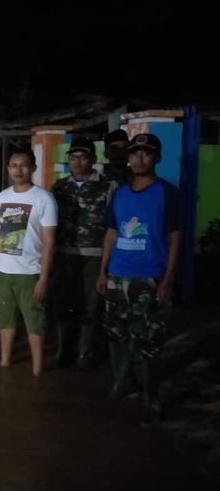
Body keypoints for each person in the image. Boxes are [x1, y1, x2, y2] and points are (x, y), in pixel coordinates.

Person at [96, 133, 181, 426]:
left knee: (149, 342)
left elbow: (174, 237)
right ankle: (123, 382)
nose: (139, 158)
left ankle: (151, 399)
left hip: (150, 278)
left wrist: (168, 279)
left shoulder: (167, 192)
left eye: (146, 153)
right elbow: (111, 232)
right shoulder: (120, 193)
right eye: (134, 153)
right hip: (118, 275)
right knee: (117, 334)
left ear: (157, 157)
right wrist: (103, 271)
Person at [0, 148, 57, 377]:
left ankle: (37, 369)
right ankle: (5, 361)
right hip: (2, 271)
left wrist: (43, 278)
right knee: (5, 321)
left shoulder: (44, 198)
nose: (18, 169)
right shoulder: (3, 197)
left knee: (35, 323)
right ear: (8, 169)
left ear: (33, 168)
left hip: (31, 273)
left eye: (23, 165)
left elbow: (49, 242)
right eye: (14, 165)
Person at [50, 137, 117, 369]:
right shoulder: (59, 187)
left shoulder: (108, 186)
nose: (77, 162)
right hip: (63, 252)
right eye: (73, 157)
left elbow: (113, 226)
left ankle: (85, 355)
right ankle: (62, 351)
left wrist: (106, 265)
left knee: (91, 306)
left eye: (83, 157)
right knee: (63, 303)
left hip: (93, 254)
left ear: (93, 159)